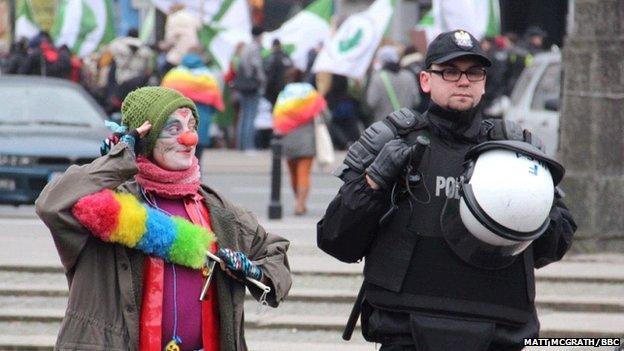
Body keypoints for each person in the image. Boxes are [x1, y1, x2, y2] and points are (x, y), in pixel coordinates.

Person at [317, 29, 577, 351]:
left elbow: (556, 243)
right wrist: (373, 183)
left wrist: (531, 210)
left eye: (473, 72)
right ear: (426, 80)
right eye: (450, 71)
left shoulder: (518, 148)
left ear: (483, 82)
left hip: (497, 333)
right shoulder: (390, 141)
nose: (463, 81)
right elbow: (335, 240)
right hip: (406, 333)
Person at [35, 86, 292, 351]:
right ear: (145, 139)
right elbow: (51, 204)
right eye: (173, 129)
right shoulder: (105, 205)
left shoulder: (216, 208)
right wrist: (114, 162)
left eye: (191, 126)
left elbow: (275, 254)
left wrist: (255, 271)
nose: (190, 138)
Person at [274, 68, 326, 215]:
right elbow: (323, 111)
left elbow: (277, 116)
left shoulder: (284, 95)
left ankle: (298, 201)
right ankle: (300, 203)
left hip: (288, 139)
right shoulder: (310, 93)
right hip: (307, 139)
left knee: (293, 173)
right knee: (304, 173)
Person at [161, 53, 225, 161]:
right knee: (197, 157)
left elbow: (162, 98)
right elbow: (215, 101)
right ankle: (196, 175)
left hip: (178, 126)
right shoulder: (208, 77)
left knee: (179, 158)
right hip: (201, 124)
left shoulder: (173, 75)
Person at [233, 26, 266, 151]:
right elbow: (256, 67)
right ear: (260, 36)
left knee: (243, 116)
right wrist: (262, 80)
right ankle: (249, 146)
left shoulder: (246, 47)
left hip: (243, 87)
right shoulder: (255, 48)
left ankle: (241, 146)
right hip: (252, 87)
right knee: (251, 116)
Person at [366, 46, 420, 122]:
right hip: (408, 124)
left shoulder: (377, 78)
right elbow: (416, 100)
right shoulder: (409, 75)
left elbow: (371, 102)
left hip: (385, 126)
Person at [263, 39, 293, 106]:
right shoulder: (285, 57)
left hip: (273, 88)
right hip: (285, 87)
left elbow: (267, 75)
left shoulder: (269, 58)